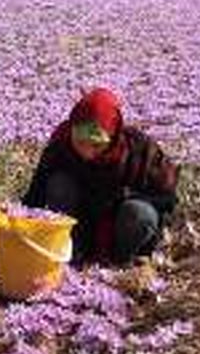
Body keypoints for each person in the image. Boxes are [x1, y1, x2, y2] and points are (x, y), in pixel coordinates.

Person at [22, 87, 178, 265]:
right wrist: (20, 227)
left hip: (120, 225)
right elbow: (36, 192)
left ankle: (121, 261)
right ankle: (71, 249)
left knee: (138, 212)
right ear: (72, 130)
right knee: (59, 184)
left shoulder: (139, 151)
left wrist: (127, 196)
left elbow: (168, 199)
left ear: (113, 136)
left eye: (97, 145)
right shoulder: (61, 145)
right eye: (80, 142)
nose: (87, 153)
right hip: (80, 221)